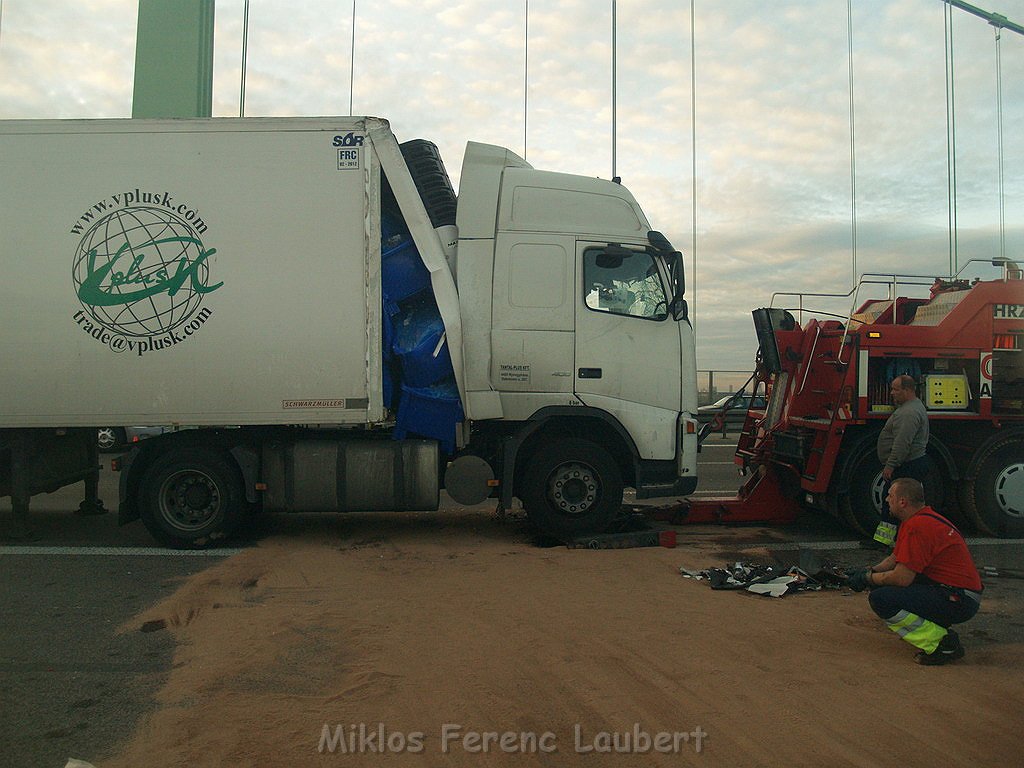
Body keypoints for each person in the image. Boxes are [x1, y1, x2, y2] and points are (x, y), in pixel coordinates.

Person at [847, 478, 982, 665]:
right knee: (881, 589)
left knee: (881, 599)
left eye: (890, 495)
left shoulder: (916, 526)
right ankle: (936, 628)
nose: (886, 499)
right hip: (959, 593)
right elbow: (895, 558)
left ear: (903, 502)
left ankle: (942, 643)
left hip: (958, 598)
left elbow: (901, 578)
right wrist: (869, 572)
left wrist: (867, 578)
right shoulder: (921, 518)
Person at [873, 374, 932, 546]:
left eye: (896, 389)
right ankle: (884, 541)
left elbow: (902, 443)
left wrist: (890, 465)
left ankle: (893, 543)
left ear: (907, 390)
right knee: (894, 502)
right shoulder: (913, 407)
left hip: (907, 465)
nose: (892, 393)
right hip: (911, 463)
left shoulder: (909, 413)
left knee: (896, 504)